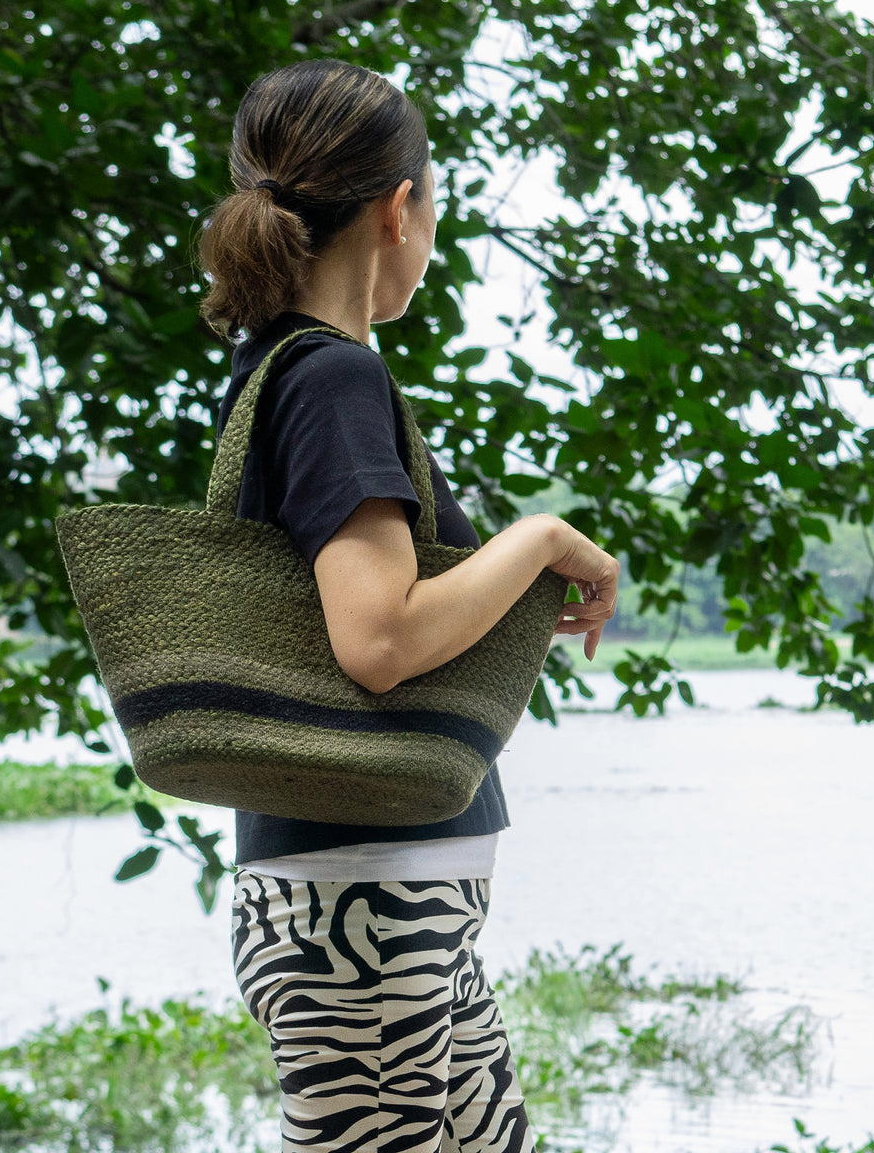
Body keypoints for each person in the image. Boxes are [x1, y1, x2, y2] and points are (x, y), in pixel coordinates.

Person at [198, 59, 619, 1153]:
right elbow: (378, 638)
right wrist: (539, 540)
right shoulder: (332, 379)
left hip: (383, 893)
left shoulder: (278, 370)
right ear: (401, 209)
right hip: (369, 901)